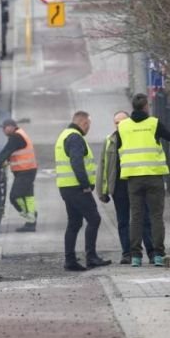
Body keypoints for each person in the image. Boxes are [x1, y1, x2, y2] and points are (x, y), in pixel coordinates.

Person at [117, 93, 170, 267]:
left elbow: (120, 145)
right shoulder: (154, 123)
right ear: (146, 107)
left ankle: (135, 256)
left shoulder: (123, 126)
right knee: (156, 216)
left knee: (136, 217)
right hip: (153, 176)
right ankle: (158, 254)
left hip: (133, 178)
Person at [54, 111, 111, 271]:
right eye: (88, 126)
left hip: (66, 187)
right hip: (77, 188)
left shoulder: (64, 135)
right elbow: (76, 162)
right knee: (94, 219)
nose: (88, 129)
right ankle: (91, 257)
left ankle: (70, 260)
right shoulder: (75, 137)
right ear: (84, 123)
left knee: (74, 223)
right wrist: (85, 184)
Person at [96, 110, 154, 263]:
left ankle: (152, 252)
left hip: (138, 185)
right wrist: (102, 190)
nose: (119, 125)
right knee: (123, 221)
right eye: (116, 122)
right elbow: (103, 166)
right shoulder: (110, 140)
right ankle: (127, 253)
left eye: (123, 121)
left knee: (144, 219)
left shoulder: (138, 137)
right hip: (119, 187)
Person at [0, 118, 38, 232]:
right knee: (28, 196)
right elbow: (11, 152)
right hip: (28, 170)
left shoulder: (16, 137)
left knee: (14, 197)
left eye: (5, 127)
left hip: (25, 171)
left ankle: (29, 216)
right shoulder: (20, 135)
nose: (3, 130)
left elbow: (7, 150)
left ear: (12, 126)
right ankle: (31, 222)